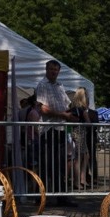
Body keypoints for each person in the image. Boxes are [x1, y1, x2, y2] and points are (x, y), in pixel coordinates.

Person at [35, 60, 75, 194]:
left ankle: (60, 195)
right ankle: (41, 196)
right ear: (46, 70)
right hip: (48, 130)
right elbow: (42, 109)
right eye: (51, 69)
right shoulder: (42, 85)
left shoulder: (60, 86)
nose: (53, 72)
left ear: (58, 71)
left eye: (55, 70)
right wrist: (63, 115)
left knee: (60, 164)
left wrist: (73, 114)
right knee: (46, 165)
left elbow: (67, 106)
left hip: (61, 129)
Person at [69, 87, 91, 189]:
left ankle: (81, 179)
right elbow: (88, 123)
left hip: (76, 133)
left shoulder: (73, 109)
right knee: (79, 157)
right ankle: (77, 181)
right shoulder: (81, 110)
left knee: (85, 155)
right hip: (79, 133)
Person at [19, 94, 42, 170]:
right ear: (35, 102)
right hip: (32, 138)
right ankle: (33, 176)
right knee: (33, 158)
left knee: (32, 157)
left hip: (31, 137)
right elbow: (35, 127)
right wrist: (40, 135)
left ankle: (32, 175)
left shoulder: (33, 112)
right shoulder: (34, 112)